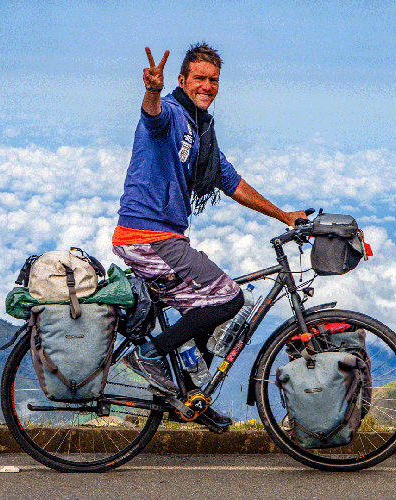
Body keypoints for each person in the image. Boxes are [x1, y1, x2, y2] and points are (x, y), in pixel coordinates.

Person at [113, 43, 308, 433]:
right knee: (229, 299)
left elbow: (231, 182)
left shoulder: (201, 130)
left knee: (207, 308)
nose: (207, 86)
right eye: (199, 78)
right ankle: (148, 356)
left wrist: (284, 215)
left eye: (213, 80)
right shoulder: (171, 113)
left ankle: (190, 398)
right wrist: (152, 90)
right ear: (182, 80)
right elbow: (152, 115)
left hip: (164, 237)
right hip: (146, 237)